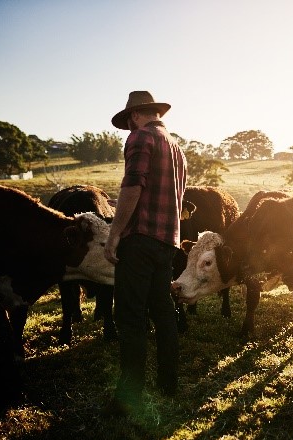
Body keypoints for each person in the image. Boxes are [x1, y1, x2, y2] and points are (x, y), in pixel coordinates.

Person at [103, 91, 187, 416]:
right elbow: (179, 197)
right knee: (163, 311)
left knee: (129, 315)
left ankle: (129, 397)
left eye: (128, 122)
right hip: (168, 241)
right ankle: (168, 383)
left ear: (136, 115)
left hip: (139, 239)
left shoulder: (140, 137)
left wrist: (113, 235)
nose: (128, 128)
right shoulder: (178, 148)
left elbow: (133, 184)